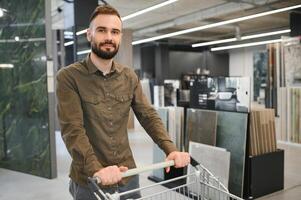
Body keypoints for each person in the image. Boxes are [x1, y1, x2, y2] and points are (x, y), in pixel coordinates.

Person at [56, 4, 190, 200]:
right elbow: (73, 130)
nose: (109, 37)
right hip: (90, 178)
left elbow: (148, 115)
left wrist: (171, 149)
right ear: (89, 34)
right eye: (102, 30)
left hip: (127, 174)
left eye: (115, 32)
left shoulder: (129, 77)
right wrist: (97, 169)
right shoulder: (69, 77)